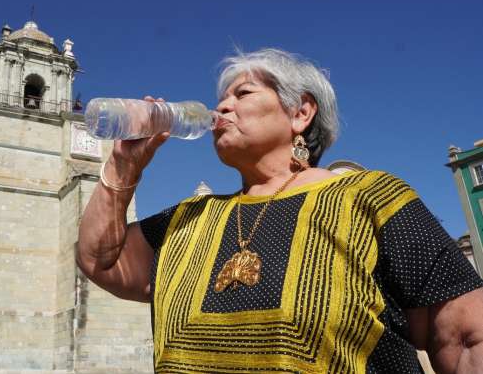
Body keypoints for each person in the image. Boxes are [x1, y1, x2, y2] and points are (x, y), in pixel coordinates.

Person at [77, 48, 483, 373]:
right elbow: (101, 261)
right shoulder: (189, 218)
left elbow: (466, 339)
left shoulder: (369, 197)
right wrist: (123, 168)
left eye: (242, 94)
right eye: (222, 99)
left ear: (300, 113)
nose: (223, 108)